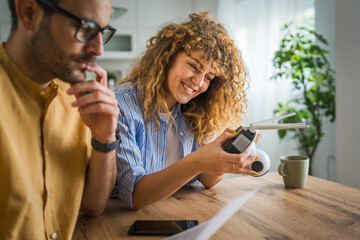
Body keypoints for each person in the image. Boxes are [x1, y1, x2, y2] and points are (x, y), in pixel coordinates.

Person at [112, 12, 263, 210]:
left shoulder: (194, 111)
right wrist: (197, 162)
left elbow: (206, 179)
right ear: (167, 58)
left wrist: (226, 157)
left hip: (175, 211)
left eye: (209, 77)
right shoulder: (121, 104)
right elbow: (136, 195)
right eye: (193, 66)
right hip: (119, 220)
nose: (199, 83)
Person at [0, 0, 119, 239]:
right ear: (29, 13)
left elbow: (93, 206)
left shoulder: (78, 101)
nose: (99, 49)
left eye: (101, 33)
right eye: (86, 28)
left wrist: (104, 138)